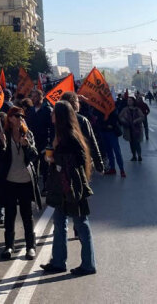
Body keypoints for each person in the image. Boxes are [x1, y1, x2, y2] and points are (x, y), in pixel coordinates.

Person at [40, 101, 97, 276]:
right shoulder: (59, 134)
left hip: (72, 187)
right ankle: (58, 261)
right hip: (61, 187)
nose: (51, 116)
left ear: (61, 116)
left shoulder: (71, 135)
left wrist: (56, 157)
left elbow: (80, 159)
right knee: (59, 223)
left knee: (81, 224)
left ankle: (88, 264)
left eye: (54, 113)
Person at [0, 106, 38, 260]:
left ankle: (30, 247)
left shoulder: (28, 134)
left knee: (27, 215)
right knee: (10, 215)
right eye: (17, 116)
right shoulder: (4, 135)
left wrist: (27, 146)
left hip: (25, 180)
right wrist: (3, 146)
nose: (20, 118)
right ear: (10, 119)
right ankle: (9, 246)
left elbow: (34, 156)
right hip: (10, 181)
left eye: (21, 116)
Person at [59, 92, 104, 174]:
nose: (79, 103)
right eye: (77, 101)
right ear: (74, 103)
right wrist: (99, 163)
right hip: (79, 159)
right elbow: (92, 142)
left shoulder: (56, 119)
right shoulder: (82, 120)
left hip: (62, 161)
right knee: (81, 184)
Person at [99, 109, 125, 177]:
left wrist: (110, 124)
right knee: (109, 151)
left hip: (111, 132)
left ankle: (121, 169)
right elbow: (98, 119)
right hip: (104, 131)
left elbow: (115, 118)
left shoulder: (111, 108)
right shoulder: (99, 108)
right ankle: (112, 168)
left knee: (116, 151)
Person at [119, 97, 145, 162]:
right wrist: (124, 121)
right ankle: (134, 156)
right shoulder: (125, 109)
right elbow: (120, 116)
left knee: (137, 142)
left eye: (130, 100)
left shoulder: (137, 109)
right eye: (128, 100)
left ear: (133, 101)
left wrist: (136, 121)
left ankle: (139, 155)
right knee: (131, 143)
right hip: (128, 129)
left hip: (137, 129)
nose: (129, 102)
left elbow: (142, 117)